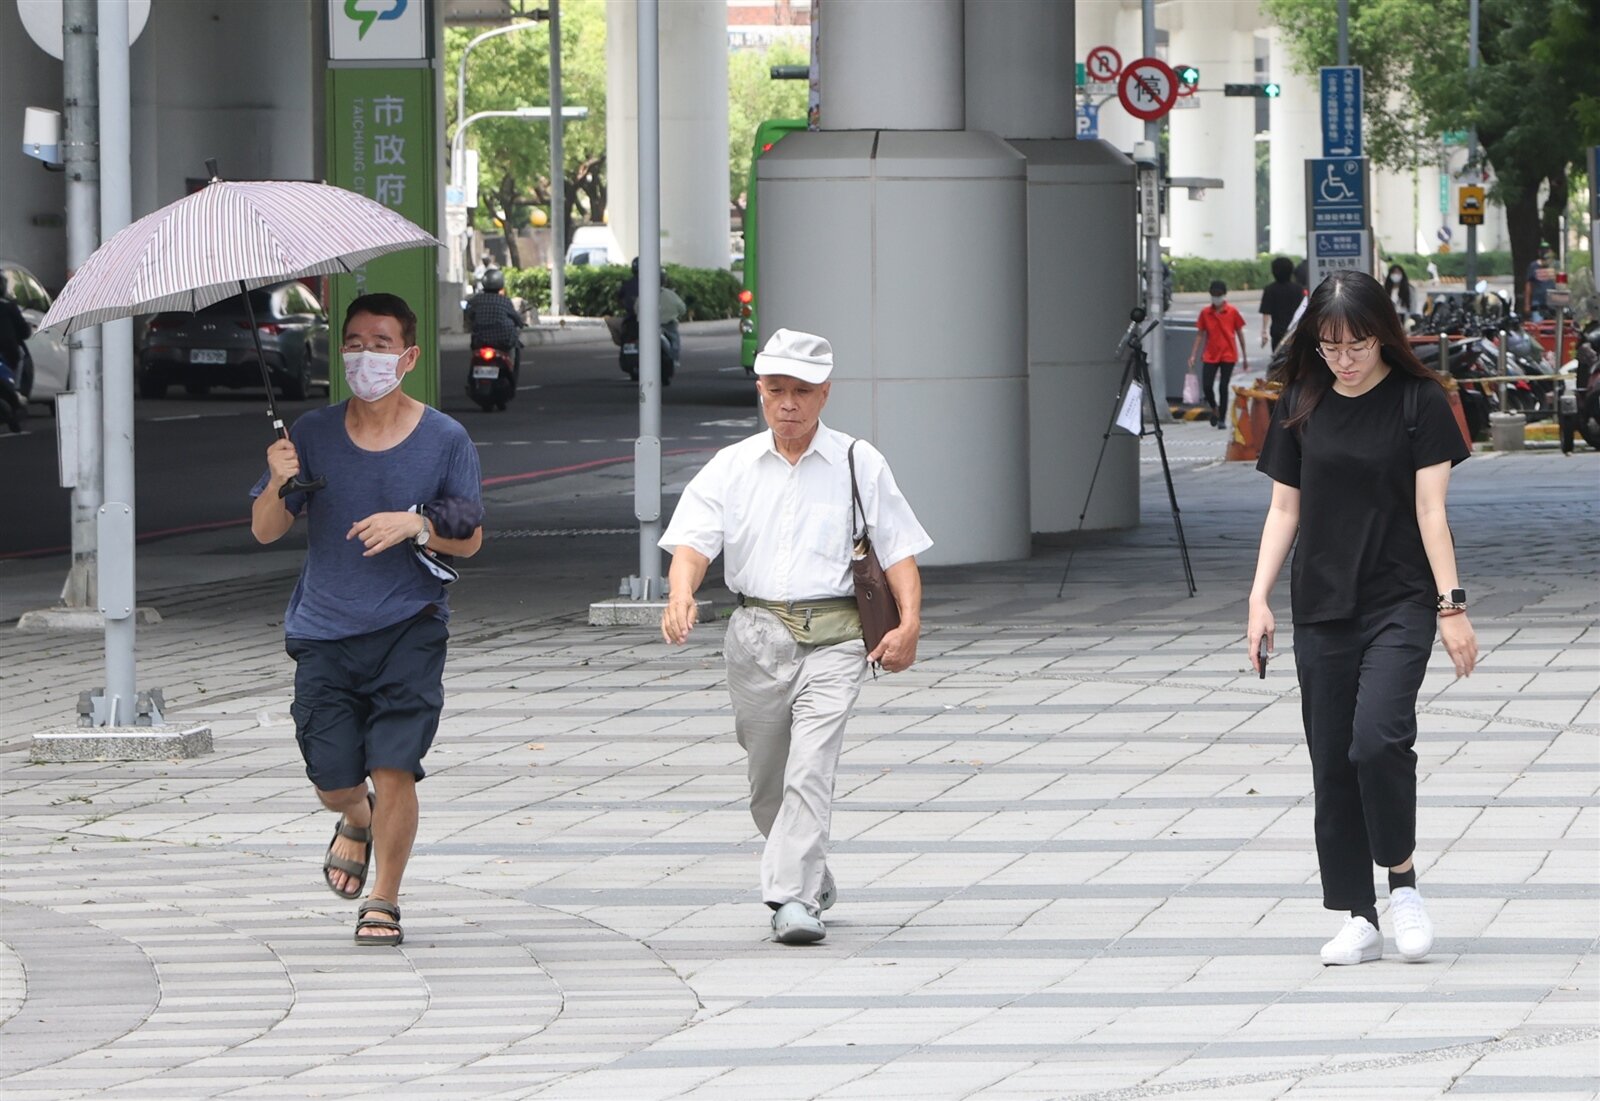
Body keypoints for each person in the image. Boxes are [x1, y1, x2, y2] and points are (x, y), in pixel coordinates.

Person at [659, 328, 931, 945]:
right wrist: (680, 595)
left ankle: (791, 899)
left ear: (824, 394)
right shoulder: (732, 466)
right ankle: (810, 870)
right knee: (767, 783)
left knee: (811, 768)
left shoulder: (860, 461)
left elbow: (899, 552)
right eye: (776, 390)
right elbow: (692, 544)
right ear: (760, 391)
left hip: (836, 639)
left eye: (802, 392)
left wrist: (910, 623)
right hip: (754, 635)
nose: (788, 403)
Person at [1248, 269, 1476, 968]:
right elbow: (1285, 508)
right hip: (1320, 606)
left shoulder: (1419, 403)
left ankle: (1403, 883)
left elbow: (1431, 509)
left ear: (1384, 334)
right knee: (1332, 767)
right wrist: (1258, 598)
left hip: (1398, 600)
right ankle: (1358, 912)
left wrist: (1451, 605)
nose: (1343, 360)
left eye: (1356, 345)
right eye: (1329, 347)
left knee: (1377, 740)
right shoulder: (1302, 402)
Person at [250, 292, 484, 947]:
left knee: (395, 765)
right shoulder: (310, 435)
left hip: (410, 624)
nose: (365, 354)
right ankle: (354, 817)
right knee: (334, 780)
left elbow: (470, 538)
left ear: (408, 356)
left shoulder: (445, 438)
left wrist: (420, 524)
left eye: (381, 343)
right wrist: (275, 481)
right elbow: (267, 529)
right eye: (354, 341)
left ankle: (384, 897)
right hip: (324, 629)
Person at [1190, 279, 1248, 430]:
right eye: (1213, 294)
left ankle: (1222, 418)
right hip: (1210, 354)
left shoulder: (1232, 312)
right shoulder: (1205, 313)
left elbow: (1240, 334)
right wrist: (1193, 355)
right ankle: (1214, 407)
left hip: (1228, 354)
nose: (1216, 297)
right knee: (1207, 386)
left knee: (1223, 386)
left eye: (1218, 294)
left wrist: (1245, 356)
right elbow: (1200, 334)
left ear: (1224, 295)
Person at [464, 268, 525, 372]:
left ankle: (472, 376)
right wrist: (521, 323)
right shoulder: (505, 301)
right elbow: (515, 318)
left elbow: (468, 315)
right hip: (502, 341)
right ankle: (510, 370)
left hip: (480, 340)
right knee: (513, 349)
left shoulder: (476, 300)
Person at [1259, 257, 1306, 353]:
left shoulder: (1270, 289)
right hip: (1296, 331)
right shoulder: (1298, 289)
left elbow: (1266, 313)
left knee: (1279, 360)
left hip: (1278, 332)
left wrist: (1264, 331)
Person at [0, 291, 31, 433]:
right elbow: (24, 331)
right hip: (8, 350)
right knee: (20, 354)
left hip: (7, 352)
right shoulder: (9, 305)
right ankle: (16, 390)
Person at [1524, 245, 1554, 320]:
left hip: (1553, 301)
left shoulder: (1555, 265)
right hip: (1538, 302)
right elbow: (1528, 285)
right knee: (1537, 325)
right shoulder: (1533, 266)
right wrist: (1527, 304)